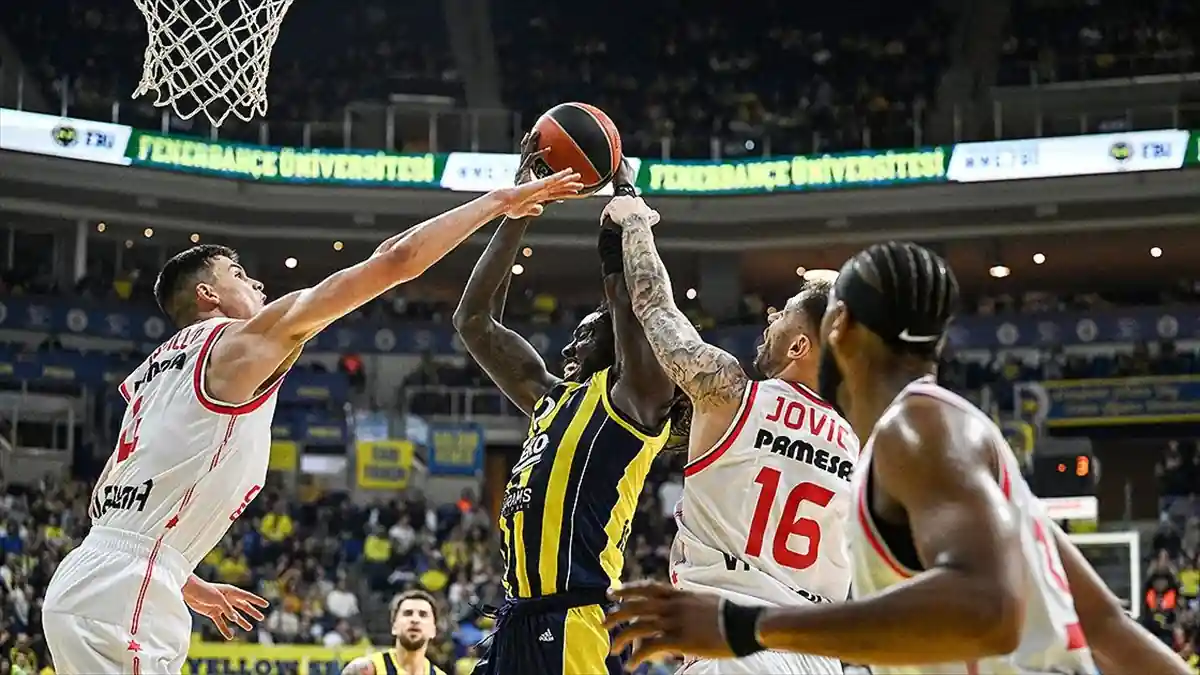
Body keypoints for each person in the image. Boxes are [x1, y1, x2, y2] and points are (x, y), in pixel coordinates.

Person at [40, 170, 583, 674]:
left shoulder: (153, 374)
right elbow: (393, 261)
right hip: (125, 594)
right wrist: (499, 203)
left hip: (95, 577)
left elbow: (114, 504)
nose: (257, 284)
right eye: (240, 275)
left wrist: (185, 578)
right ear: (208, 295)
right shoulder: (237, 344)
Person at [607, 241, 1190, 675]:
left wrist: (745, 625)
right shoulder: (942, 441)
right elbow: (1108, 626)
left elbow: (993, 609)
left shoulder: (919, 426)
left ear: (842, 328)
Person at [452, 136, 681, 675]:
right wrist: (521, 205)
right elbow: (474, 322)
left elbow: (630, 305)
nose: (569, 345)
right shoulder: (550, 400)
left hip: (576, 617)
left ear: (615, 345)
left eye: (585, 333)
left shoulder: (635, 401)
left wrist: (624, 203)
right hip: (515, 621)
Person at [603, 196, 854, 675]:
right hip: (818, 660)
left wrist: (633, 220)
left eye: (782, 315)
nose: (770, 316)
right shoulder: (857, 439)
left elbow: (655, 308)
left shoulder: (729, 394)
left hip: (734, 646)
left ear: (800, 345)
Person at [342, 590, 448, 675]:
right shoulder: (366, 669)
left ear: (433, 631)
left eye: (423, 615)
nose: (415, 619)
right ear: (394, 627)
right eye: (408, 613)